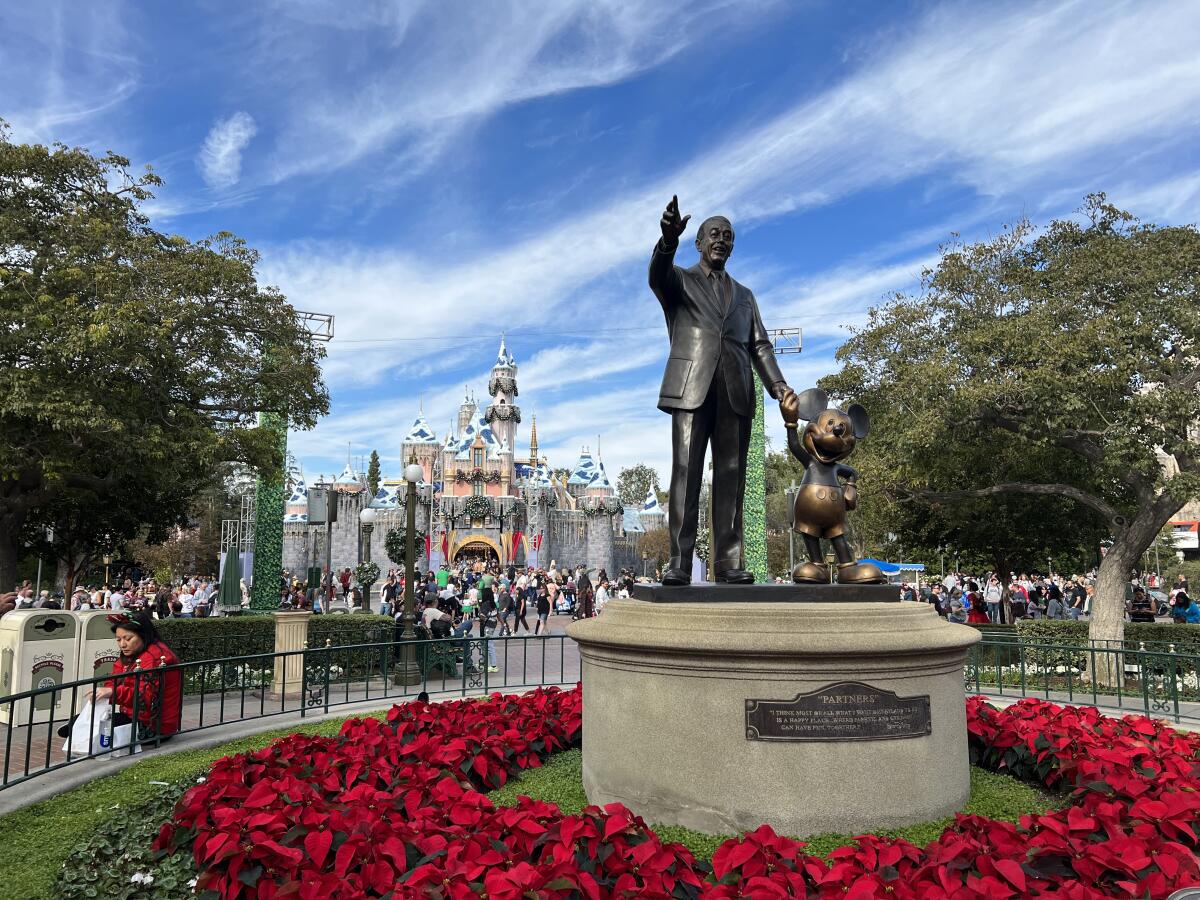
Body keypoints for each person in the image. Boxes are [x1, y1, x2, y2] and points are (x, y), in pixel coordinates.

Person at [649, 196, 794, 585]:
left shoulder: (745, 295)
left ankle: (729, 563)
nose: (722, 240)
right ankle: (679, 562)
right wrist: (667, 242)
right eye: (714, 234)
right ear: (698, 242)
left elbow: (759, 345)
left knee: (731, 475)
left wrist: (778, 386)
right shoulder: (681, 281)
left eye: (728, 236)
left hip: (736, 391)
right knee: (686, 472)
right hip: (691, 388)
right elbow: (657, 277)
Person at [82, 612, 182, 744]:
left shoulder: (155, 657)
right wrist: (108, 691)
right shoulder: (134, 654)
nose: (122, 644)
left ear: (143, 636)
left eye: (128, 639)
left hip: (153, 727)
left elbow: (144, 698)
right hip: (136, 717)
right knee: (84, 725)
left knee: (89, 730)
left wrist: (112, 692)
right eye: (118, 639)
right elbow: (115, 679)